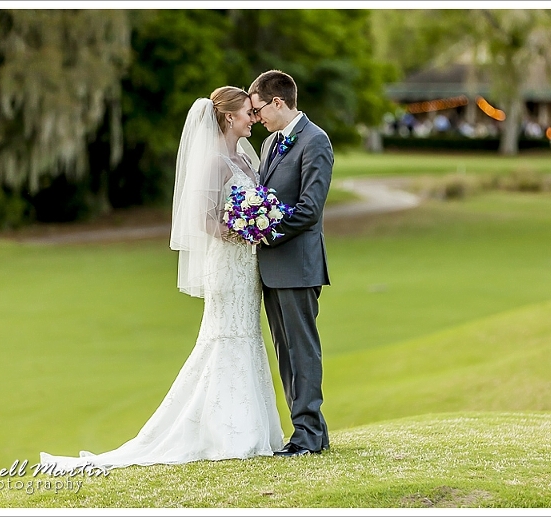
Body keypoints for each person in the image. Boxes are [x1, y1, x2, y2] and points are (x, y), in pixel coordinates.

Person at [39, 86, 283, 470]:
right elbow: (202, 219)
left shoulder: (245, 161)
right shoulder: (215, 162)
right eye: (246, 113)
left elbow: (255, 203)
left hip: (247, 267)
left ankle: (252, 427)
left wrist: (256, 222)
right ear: (228, 117)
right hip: (227, 264)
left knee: (246, 335)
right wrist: (238, 229)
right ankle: (230, 432)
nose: (253, 118)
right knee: (225, 337)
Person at [248, 70, 332, 457]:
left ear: (278, 102)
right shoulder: (269, 145)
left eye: (260, 109)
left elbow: (309, 210)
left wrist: (267, 232)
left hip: (298, 265)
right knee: (285, 351)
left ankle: (309, 436)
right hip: (272, 268)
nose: (257, 117)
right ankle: (308, 433)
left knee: (302, 351)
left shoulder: (315, 141)